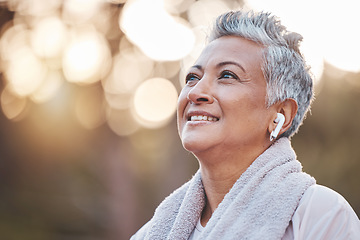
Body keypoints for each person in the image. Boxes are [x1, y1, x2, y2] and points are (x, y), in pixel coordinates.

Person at [131, 10, 360, 239]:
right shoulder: (151, 233)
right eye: (192, 77)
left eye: (227, 75)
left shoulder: (322, 216)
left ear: (280, 114)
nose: (196, 92)